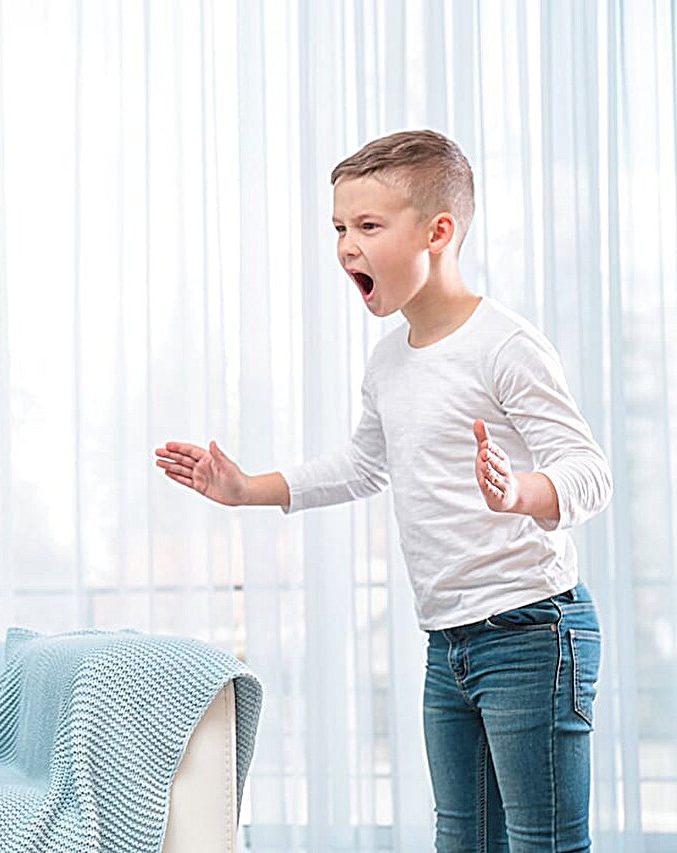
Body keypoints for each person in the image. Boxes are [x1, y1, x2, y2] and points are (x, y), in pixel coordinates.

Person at [155, 130, 611, 851]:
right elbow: (365, 464)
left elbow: (589, 470)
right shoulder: (389, 360)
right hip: (450, 640)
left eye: (368, 226)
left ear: (438, 233)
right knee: (462, 839)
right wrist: (245, 489)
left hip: (532, 629)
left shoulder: (505, 344)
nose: (347, 247)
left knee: (542, 842)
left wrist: (518, 491)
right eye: (339, 228)